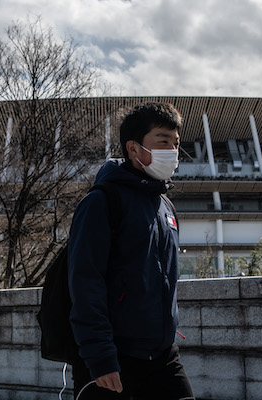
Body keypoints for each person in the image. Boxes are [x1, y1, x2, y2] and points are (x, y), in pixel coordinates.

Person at [67, 102, 195, 400]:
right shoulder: (102, 202)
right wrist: (99, 356)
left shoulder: (165, 207)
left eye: (176, 143)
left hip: (163, 355)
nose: (173, 151)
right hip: (113, 357)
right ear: (133, 148)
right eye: (163, 142)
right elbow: (85, 282)